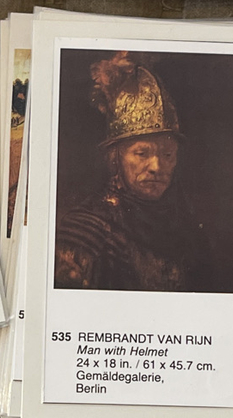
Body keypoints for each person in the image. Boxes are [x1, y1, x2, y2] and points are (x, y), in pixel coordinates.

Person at [53, 53, 211, 291]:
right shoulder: (86, 233)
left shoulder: (186, 229)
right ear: (115, 159)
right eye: (142, 153)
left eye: (168, 155)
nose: (156, 167)